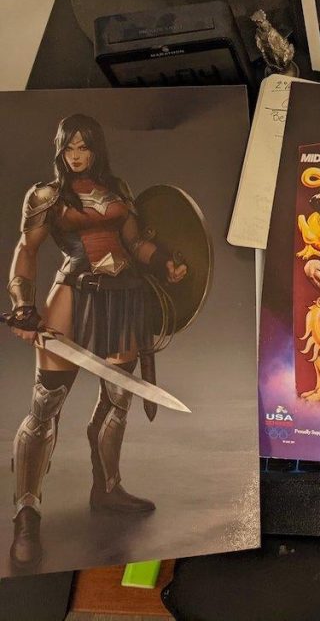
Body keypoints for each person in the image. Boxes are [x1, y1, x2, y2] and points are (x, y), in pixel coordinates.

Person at [7, 115, 188, 570]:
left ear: (96, 149)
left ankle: (107, 489)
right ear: (60, 150)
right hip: (72, 295)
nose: (76, 155)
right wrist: (23, 308)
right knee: (46, 405)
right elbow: (26, 250)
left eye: (84, 147)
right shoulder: (46, 196)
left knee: (116, 401)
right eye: (69, 147)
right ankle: (27, 512)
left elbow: (135, 243)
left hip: (123, 300)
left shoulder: (117, 189)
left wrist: (165, 261)